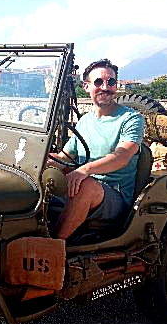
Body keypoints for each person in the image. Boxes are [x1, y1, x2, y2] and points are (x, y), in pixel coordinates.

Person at [48, 58, 145, 240]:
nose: (105, 87)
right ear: (86, 86)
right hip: (83, 186)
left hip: (115, 195)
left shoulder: (131, 118)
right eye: (99, 82)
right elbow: (65, 157)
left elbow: (122, 156)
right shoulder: (85, 120)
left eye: (111, 82)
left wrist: (84, 170)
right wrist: (40, 161)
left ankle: (53, 246)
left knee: (85, 185)